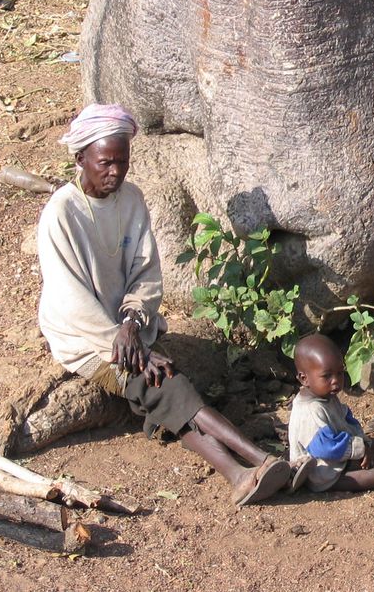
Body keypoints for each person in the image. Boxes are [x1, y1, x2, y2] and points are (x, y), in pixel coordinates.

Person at [38, 103, 305, 507]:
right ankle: (257, 459)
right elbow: (69, 299)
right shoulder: (60, 213)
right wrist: (127, 344)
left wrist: (131, 324)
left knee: (162, 389)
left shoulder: (132, 200)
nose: (116, 172)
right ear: (80, 159)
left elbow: (146, 273)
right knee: (159, 382)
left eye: (122, 162)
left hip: (127, 328)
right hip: (84, 338)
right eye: (105, 163)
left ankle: (244, 472)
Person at [288, 333, 374, 493]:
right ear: (304, 379)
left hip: (337, 453)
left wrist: (361, 442)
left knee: (367, 442)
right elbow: (325, 448)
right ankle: (352, 474)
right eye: (327, 376)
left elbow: (343, 419)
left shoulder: (324, 394)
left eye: (340, 373)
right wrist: (359, 450)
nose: (336, 380)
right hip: (321, 472)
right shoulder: (310, 412)